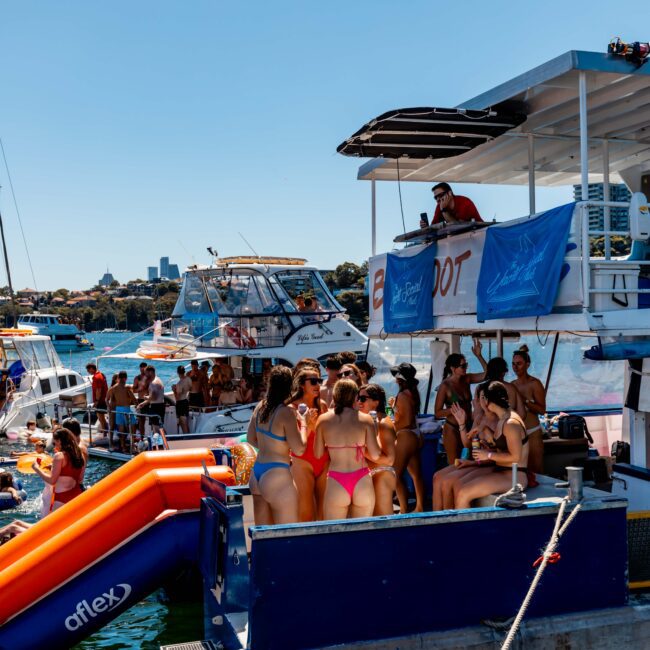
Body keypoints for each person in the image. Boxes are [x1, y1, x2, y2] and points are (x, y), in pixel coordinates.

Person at [453, 381, 530, 509]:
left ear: (488, 400)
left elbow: (515, 457)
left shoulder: (511, 423)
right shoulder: (504, 417)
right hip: (502, 471)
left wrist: (488, 455)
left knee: (463, 493)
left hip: (515, 476)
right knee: (460, 486)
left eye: (482, 398)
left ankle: (464, 529)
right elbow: (503, 444)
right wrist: (485, 430)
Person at [247, 366, 306, 525]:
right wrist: (304, 423)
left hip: (257, 474)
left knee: (263, 536)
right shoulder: (285, 412)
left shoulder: (261, 406)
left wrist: (271, 446)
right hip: (277, 475)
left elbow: (250, 438)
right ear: (289, 386)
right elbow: (299, 449)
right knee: (287, 533)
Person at [314, 379, 381, 520]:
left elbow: (318, 454)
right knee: (361, 533)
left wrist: (335, 446)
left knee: (334, 535)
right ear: (355, 396)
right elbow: (375, 455)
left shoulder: (323, 419)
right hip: (362, 479)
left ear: (335, 395)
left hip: (336, 480)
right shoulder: (366, 419)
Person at [434, 341, 488, 463]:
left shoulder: (467, 379)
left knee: (469, 463)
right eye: (463, 366)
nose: (466, 368)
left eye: (466, 365)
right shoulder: (445, 386)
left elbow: (487, 375)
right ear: (453, 369)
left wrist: (479, 355)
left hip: (468, 427)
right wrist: (454, 410)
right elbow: (437, 413)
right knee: (454, 463)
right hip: (452, 428)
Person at [288, 367, 329, 522]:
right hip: (302, 460)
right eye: (313, 381)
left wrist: (314, 427)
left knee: (323, 509)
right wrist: (310, 426)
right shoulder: (291, 408)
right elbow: (294, 441)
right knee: (306, 509)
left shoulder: (323, 405)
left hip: (323, 459)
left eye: (319, 380)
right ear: (301, 385)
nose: (317, 385)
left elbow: (328, 436)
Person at [355, 384, 396, 516]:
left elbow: (389, 460)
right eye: (357, 398)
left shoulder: (384, 423)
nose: (358, 401)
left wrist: (361, 449)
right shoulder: (365, 421)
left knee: (384, 522)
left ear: (376, 402)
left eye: (362, 398)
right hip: (368, 475)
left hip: (381, 475)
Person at [391, 362, 426, 513]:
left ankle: (403, 510)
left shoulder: (402, 395)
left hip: (405, 435)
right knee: (416, 475)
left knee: (395, 475)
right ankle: (420, 507)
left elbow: (405, 421)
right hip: (415, 434)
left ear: (400, 378)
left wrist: (392, 425)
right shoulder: (412, 392)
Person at [32, 427, 86, 512]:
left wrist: (37, 468)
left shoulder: (59, 456)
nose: (54, 444)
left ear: (59, 441)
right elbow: (79, 479)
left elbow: (52, 480)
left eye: (54, 442)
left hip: (60, 500)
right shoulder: (80, 455)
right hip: (76, 496)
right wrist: (55, 468)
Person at [512, 345, 546, 475]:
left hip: (532, 432)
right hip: (517, 434)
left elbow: (542, 410)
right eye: (514, 364)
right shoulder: (512, 385)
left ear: (527, 364)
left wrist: (525, 401)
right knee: (521, 472)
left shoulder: (534, 384)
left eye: (519, 364)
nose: (516, 367)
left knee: (537, 471)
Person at [106, 371, 137, 452]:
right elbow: (133, 398)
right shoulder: (127, 387)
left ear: (118, 378)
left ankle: (123, 447)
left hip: (118, 410)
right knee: (132, 427)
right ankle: (132, 446)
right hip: (126, 409)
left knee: (121, 430)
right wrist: (137, 405)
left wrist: (109, 407)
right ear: (125, 378)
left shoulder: (113, 388)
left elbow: (106, 399)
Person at [136, 366, 166, 442]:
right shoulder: (158, 380)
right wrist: (144, 403)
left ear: (151, 372)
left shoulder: (154, 383)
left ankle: (160, 446)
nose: (145, 376)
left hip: (156, 407)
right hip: (160, 405)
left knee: (156, 428)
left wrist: (146, 397)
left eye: (146, 373)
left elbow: (154, 397)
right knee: (159, 427)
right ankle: (165, 442)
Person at [86, 363, 108, 436]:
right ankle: (105, 432)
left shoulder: (97, 377)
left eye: (88, 370)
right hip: (103, 399)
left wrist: (96, 401)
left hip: (100, 401)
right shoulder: (100, 374)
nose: (88, 371)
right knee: (102, 418)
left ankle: (105, 433)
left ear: (92, 368)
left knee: (101, 417)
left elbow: (99, 390)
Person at [172, 365, 192, 433]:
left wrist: (174, 390)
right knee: (185, 422)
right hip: (186, 401)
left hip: (181, 403)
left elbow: (177, 398)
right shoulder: (188, 379)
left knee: (183, 423)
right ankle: (188, 436)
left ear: (178, 372)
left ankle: (186, 438)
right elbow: (190, 388)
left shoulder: (179, 384)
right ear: (184, 371)